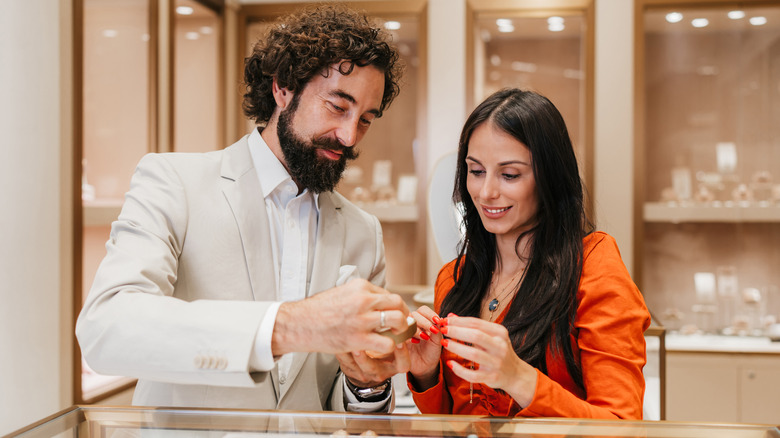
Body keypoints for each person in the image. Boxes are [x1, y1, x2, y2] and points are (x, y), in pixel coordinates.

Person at [76, 3, 412, 413]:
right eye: (338, 106)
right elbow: (106, 330)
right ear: (283, 88)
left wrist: (366, 386)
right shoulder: (173, 182)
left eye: (366, 120)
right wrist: (289, 326)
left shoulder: (364, 232)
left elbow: (344, 413)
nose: (348, 135)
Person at [406, 89, 651, 419]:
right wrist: (425, 374)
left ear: (549, 177)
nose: (486, 192)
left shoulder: (592, 265)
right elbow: (456, 419)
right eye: (476, 171)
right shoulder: (454, 278)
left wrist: (518, 378)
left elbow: (621, 426)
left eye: (509, 175)